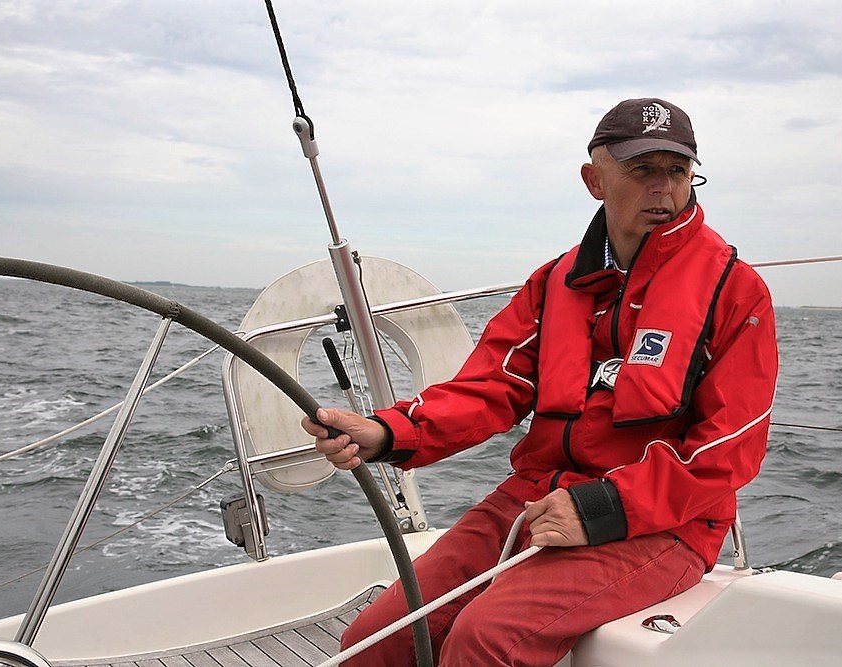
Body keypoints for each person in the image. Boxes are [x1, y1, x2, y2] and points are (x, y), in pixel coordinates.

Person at [302, 97, 779, 666]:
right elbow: (489, 387)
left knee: (485, 640)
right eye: (642, 169)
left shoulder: (735, 290)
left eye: (677, 170)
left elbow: (729, 449)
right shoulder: (555, 282)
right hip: (535, 497)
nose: (663, 187)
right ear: (594, 180)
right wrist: (388, 432)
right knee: (374, 640)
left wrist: (601, 507)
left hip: (663, 524)